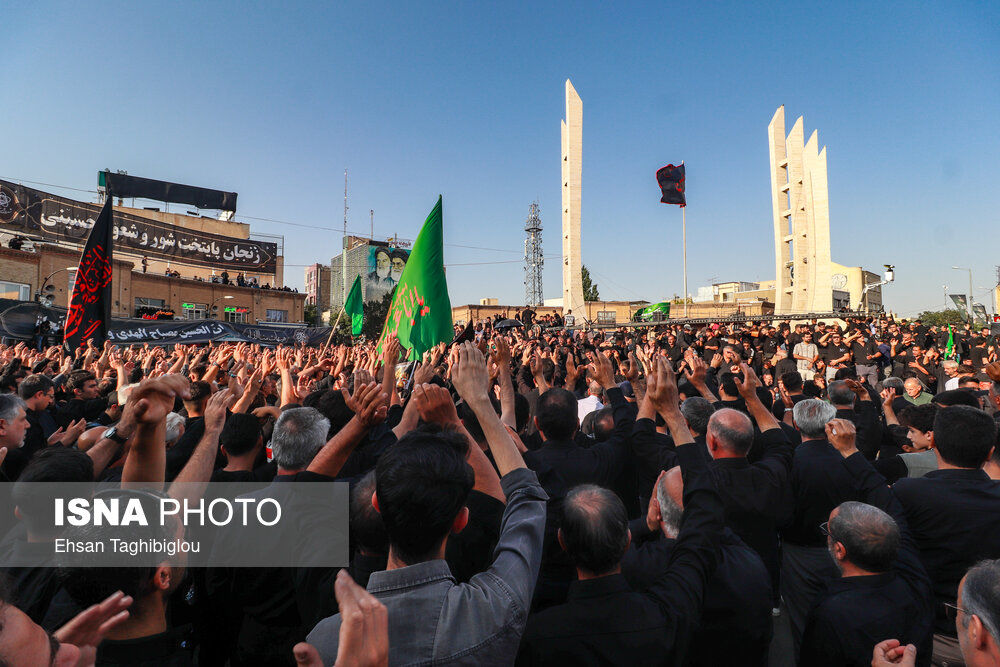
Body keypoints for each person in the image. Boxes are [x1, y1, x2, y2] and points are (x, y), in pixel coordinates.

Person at [308, 343, 548, 664]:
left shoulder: (325, 640)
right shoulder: (490, 610)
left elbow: (303, 492)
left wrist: (360, 422)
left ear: (378, 504)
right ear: (461, 519)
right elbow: (525, 497)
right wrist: (472, 406)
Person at [517, 357, 726, 665]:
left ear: (563, 540)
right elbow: (627, 429)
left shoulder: (536, 634)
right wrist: (614, 385)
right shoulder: (665, 608)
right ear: (626, 541)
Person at [798, 419, 934, 666]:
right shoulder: (914, 578)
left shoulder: (831, 612)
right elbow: (884, 498)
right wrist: (849, 451)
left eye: (828, 531)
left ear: (839, 550)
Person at [892, 405, 1000, 665]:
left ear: (934, 444)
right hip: (990, 631)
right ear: (989, 452)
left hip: (931, 632)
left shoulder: (908, 492)